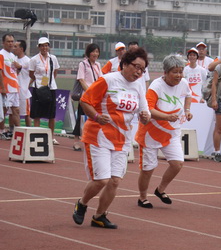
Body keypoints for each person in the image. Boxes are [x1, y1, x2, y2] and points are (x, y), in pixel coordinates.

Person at [72, 48, 151, 229]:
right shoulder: (108, 80)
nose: (139, 71)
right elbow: (85, 101)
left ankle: (99, 216)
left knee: (115, 180)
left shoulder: (139, 85)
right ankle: (82, 203)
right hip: (99, 136)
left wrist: (145, 116)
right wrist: (97, 116)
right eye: (136, 66)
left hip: (122, 139)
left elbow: (143, 110)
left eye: (142, 69)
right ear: (124, 64)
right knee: (102, 180)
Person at [135, 54, 193, 208]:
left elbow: (188, 95)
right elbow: (148, 109)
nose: (179, 75)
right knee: (148, 168)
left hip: (171, 132)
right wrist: (167, 117)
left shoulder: (184, 83)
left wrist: (187, 110)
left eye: (181, 72)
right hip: (151, 133)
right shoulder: (156, 86)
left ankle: (160, 190)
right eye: (175, 72)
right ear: (166, 72)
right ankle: (142, 197)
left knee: (177, 164)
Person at [28, 36, 60, 145]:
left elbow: (54, 72)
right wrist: (39, 81)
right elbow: (31, 74)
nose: (44, 48)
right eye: (42, 46)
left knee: (51, 114)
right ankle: (36, 135)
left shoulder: (53, 58)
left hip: (50, 88)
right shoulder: (34, 59)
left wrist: (48, 82)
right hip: (38, 88)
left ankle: (51, 137)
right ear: (38, 47)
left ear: (49, 47)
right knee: (37, 113)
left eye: (46, 45)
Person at [72, 43, 102, 151]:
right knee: (81, 118)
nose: (95, 54)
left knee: (93, 118)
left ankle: (90, 140)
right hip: (86, 96)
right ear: (88, 53)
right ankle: (76, 141)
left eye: (97, 52)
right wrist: (90, 92)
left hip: (96, 97)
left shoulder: (98, 65)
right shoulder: (83, 64)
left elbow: (100, 80)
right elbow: (81, 79)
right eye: (93, 51)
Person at [0, 33, 21, 139]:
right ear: (3, 42)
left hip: (14, 87)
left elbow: (15, 72)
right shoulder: (1, 54)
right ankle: (2, 130)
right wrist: (2, 87)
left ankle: (19, 131)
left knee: (16, 110)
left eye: (12, 41)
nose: (10, 43)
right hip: (6, 87)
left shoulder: (13, 56)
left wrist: (19, 68)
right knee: (4, 110)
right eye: (8, 41)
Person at [13, 39, 31, 127]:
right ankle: (12, 131)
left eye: (16, 46)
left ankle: (29, 131)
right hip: (14, 90)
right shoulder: (13, 59)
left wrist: (27, 86)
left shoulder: (28, 61)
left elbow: (32, 75)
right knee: (12, 112)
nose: (13, 48)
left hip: (23, 92)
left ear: (21, 49)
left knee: (26, 113)